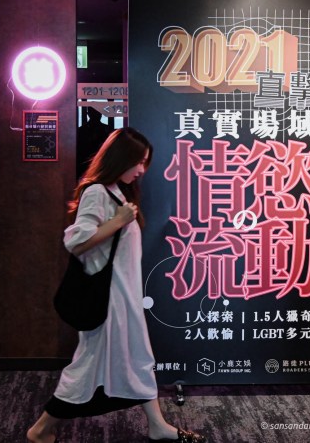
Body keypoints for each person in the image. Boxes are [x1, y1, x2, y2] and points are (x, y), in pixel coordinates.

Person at [26, 127, 206, 443]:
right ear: (121, 158)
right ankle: (40, 430)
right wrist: (118, 221)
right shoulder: (98, 192)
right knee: (87, 368)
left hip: (123, 299)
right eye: (139, 161)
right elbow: (77, 241)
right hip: (108, 302)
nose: (142, 170)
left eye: (145, 162)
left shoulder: (117, 192)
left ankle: (158, 425)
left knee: (139, 358)